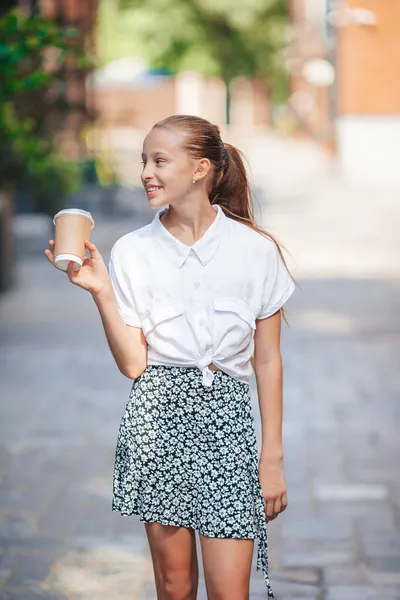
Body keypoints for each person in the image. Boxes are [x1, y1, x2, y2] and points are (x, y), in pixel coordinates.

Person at [45, 115, 295, 600]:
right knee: (176, 587)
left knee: (229, 591)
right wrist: (100, 291)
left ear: (200, 168)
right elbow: (135, 365)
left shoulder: (256, 251)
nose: (145, 173)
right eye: (144, 161)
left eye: (159, 160)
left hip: (227, 425)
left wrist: (272, 459)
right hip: (157, 422)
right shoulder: (133, 252)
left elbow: (268, 361)